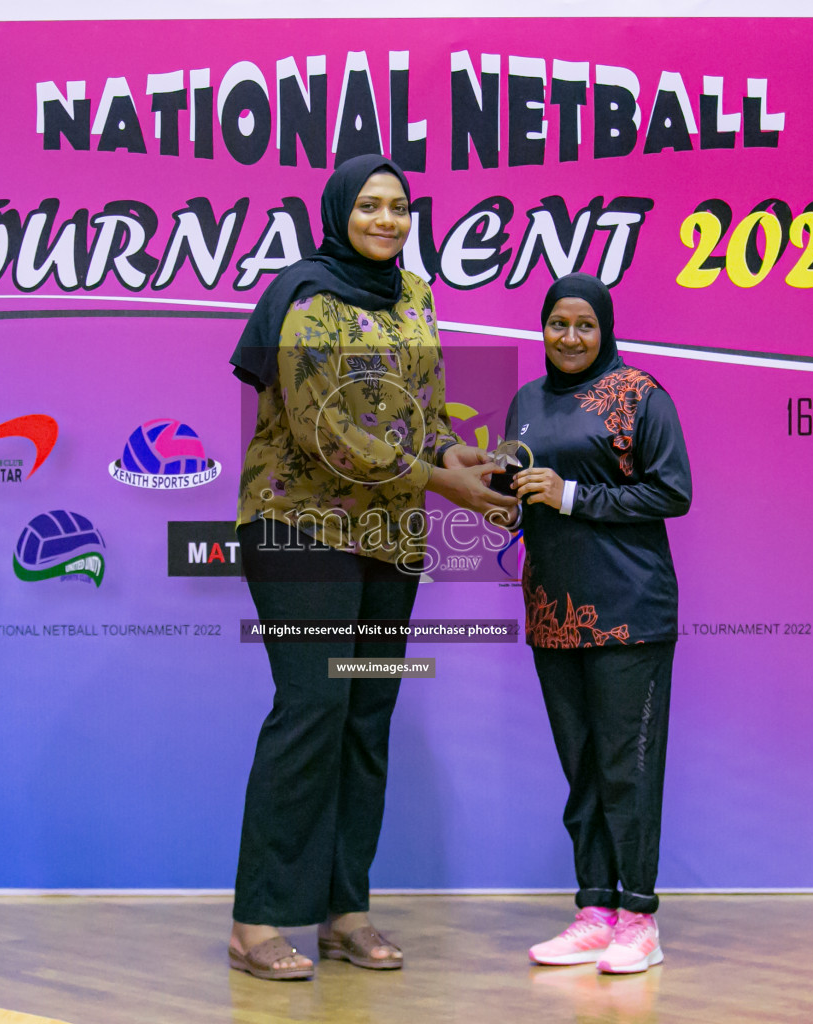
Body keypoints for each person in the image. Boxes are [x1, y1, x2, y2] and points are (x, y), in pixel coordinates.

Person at [227, 154, 515, 980]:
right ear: (339, 210)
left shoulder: (416, 295)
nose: (386, 220)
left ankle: (344, 909)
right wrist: (442, 483)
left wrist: (449, 453)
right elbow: (326, 432)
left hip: (388, 539)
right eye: (370, 206)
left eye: (399, 207)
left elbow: (418, 411)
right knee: (313, 709)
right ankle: (257, 920)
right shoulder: (306, 301)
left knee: (365, 718)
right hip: (302, 531)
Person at [504, 273, 692, 974]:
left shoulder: (642, 396)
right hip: (552, 609)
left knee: (627, 769)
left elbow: (673, 490)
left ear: (605, 328)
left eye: (585, 325)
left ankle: (639, 918)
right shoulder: (526, 401)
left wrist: (572, 494)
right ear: (542, 327)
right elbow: (524, 483)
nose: (571, 337)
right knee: (582, 767)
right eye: (558, 324)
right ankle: (594, 910)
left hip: (627, 611)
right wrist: (506, 500)